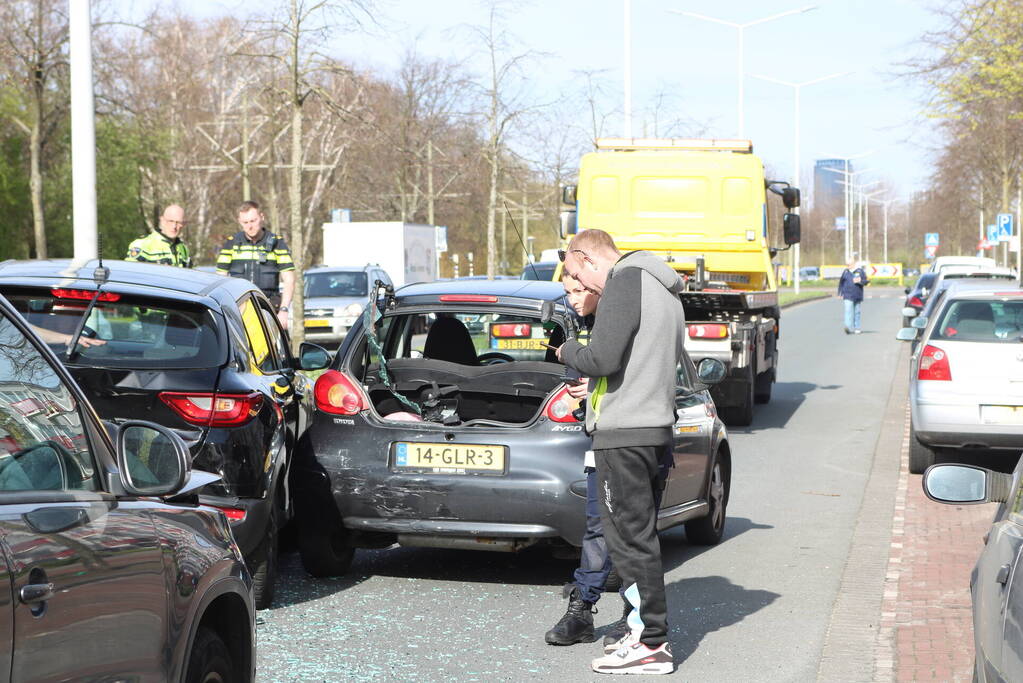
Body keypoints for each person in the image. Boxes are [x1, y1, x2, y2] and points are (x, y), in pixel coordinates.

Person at [557, 229, 685, 676]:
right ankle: (639, 634)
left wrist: (568, 348)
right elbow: (637, 364)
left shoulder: (625, 281)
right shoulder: (662, 287)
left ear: (587, 258)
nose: (582, 286)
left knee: (629, 541)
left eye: (577, 274)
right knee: (638, 537)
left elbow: (603, 357)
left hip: (625, 434)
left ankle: (651, 644)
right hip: (650, 429)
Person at [545, 273, 631, 650]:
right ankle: (581, 611)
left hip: (636, 442)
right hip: (600, 443)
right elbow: (581, 388)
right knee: (597, 528)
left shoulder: (626, 319)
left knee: (632, 533)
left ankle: (635, 617)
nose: (572, 299)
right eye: (567, 292)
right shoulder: (585, 328)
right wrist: (581, 391)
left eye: (578, 290)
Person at [216, 200, 295, 329]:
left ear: (262, 218)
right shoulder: (231, 244)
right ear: (239, 221)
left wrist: (284, 311)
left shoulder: (277, 244)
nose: (250, 226)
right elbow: (220, 278)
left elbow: (289, 280)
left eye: (253, 221)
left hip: (269, 309)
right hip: (238, 310)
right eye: (245, 223)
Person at [125, 204, 192, 267]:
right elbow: (130, 274)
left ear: (184, 224)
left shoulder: (183, 249)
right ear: (162, 220)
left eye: (179, 222)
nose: (174, 226)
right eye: (170, 221)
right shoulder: (142, 245)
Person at [838, 258, 869, 334]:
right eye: (847, 264)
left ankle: (857, 327)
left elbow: (866, 281)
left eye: (849, 264)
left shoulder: (860, 271)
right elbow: (841, 283)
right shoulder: (845, 272)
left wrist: (860, 281)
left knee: (857, 311)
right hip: (847, 294)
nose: (847, 266)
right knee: (848, 310)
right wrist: (840, 293)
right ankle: (847, 327)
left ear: (853, 264)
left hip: (857, 294)